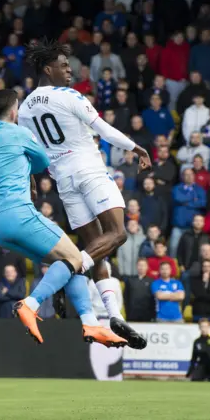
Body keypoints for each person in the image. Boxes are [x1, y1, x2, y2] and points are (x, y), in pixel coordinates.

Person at [16, 39, 151, 349]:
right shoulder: (67, 96)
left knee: (95, 247)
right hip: (89, 171)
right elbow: (103, 130)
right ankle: (60, 279)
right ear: (48, 69)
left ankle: (113, 315)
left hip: (63, 181)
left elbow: (29, 151)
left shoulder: (24, 109)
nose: (70, 72)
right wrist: (136, 147)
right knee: (117, 234)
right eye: (64, 67)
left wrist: (33, 181)